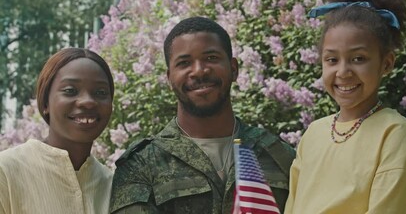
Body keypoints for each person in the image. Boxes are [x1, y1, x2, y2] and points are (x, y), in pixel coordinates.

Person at [109, 16, 296, 213]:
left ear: (234, 69)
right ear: (169, 78)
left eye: (211, 58)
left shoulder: (279, 156)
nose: (199, 71)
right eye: (184, 63)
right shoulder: (141, 165)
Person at [284, 0, 406, 213]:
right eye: (331, 59)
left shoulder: (393, 132)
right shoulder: (313, 134)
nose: (343, 72)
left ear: (387, 63)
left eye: (358, 59)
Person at [0, 48, 114, 214]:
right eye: (70, 91)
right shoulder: (6, 172)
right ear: (45, 102)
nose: (88, 102)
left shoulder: (113, 185)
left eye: (100, 92)